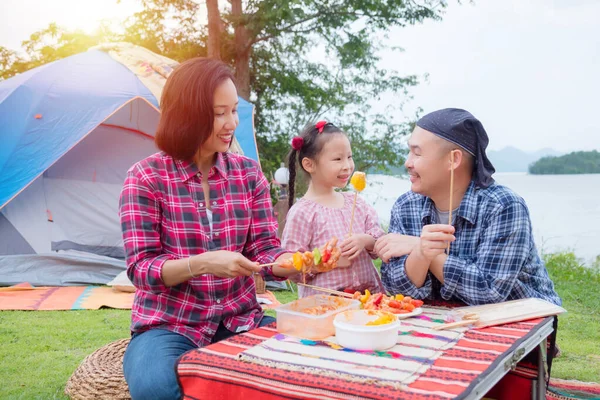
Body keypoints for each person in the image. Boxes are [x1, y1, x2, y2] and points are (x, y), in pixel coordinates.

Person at [119, 57, 297, 400]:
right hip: (167, 326)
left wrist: (293, 261)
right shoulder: (145, 178)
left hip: (241, 320)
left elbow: (264, 251)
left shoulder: (248, 175)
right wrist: (202, 263)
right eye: (219, 113)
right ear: (187, 113)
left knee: (300, 367)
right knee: (154, 386)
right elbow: (141, 269)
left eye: (234, 111)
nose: (231, 123)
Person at [375, 108, 561, 306]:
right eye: (409, 152)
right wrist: (421, 253)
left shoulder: (503, 206)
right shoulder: (406, 206)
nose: (407, 162)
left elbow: (489, 292)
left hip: (522, 321)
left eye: (417, 153)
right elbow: (395, 290)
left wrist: (421, 248)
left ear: (453, 159)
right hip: (447, 321)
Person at [281, 121, 385, 298]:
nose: (347, 166)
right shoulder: (303, 212)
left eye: (349, 157)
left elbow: (381, 243)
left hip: (368, 300)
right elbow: (291, 267)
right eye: (338, 159)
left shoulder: (356, 203)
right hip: (325, 304)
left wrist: (365, 241)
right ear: (309, 165)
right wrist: (329, 262)